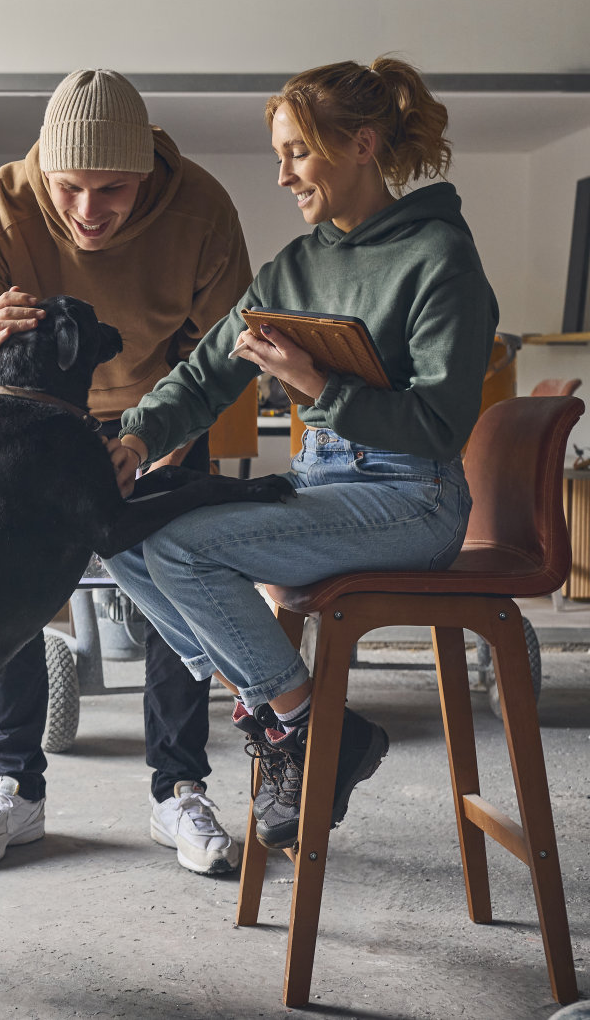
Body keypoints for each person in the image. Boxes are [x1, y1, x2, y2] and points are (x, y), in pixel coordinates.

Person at [104, 57, 497, 851]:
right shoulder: (296, 265)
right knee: (116, 523)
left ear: (361, 144)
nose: (282, 175)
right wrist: (138, 437)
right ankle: (290, 718)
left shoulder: (439, 258)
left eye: (297, 152)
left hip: (414, 498)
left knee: (182, 545)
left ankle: (302, 722)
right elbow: (209, 369)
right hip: (324, 488)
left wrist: (316, 381)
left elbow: (440, 428)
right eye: (279, 153)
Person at [0, 69, 252, 875]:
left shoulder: (202, 209)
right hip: (31, 420)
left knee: (182, 578)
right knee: (1, 586)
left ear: (146, 172)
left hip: (158, 413)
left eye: (114, 189)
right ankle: (14, 787)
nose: (89, 211)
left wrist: (167, 435)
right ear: (44, 169)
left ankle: (178, 791)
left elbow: (233, 347)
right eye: (70, 188)